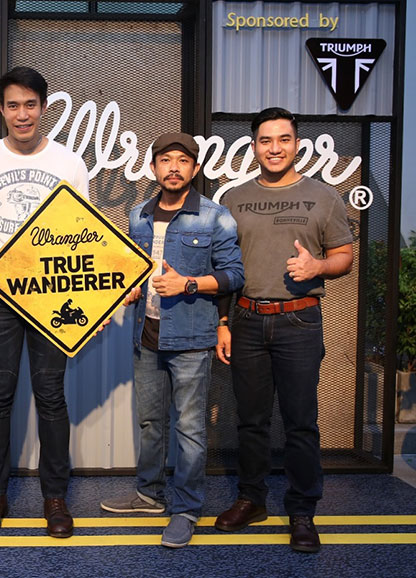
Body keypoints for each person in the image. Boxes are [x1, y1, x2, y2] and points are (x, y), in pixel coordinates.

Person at [214, 108, 353, 553]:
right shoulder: (233, 199)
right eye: (266, 140)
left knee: (300, 423)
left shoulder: (324, 197)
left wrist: (318, 266)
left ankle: (302, 512)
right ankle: (251, 499)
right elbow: (224, 268)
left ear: (297, 144)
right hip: (246, 320)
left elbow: (344, 257)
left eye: (284, 139)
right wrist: (223, 322)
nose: (275, 148)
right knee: (251, 420)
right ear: (253, 146)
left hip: (299, 320)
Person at [0, 66, 89, 539]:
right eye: (13, 105)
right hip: (0, 298)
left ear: (43, 107)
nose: (22, 114)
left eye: (30, 104)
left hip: (52, 296)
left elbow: (82, 232)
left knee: (51, 396)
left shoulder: (70, 164)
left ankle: (55, 498)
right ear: (2, 109)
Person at [99, 133, 244, 548]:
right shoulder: (138, 216)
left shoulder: (215, 216)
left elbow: (234, 275)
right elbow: (133, 269)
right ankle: (149, 494)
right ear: (153, 168)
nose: (174, 167)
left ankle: (186, 509)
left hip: (192, 339)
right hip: (146, 336)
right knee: (150, 422)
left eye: (183, 160)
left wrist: (189, 283)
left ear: (194, 169)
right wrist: (128, 290)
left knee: (190, 429)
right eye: (166, 160)